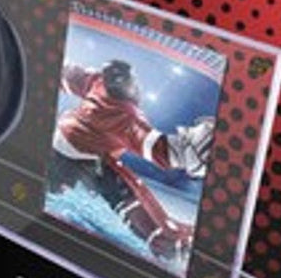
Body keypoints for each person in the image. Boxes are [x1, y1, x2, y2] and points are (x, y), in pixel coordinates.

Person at [47, 59, 214, 260]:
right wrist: (196, 147)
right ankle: (165, 242)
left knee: (114, 192)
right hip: (87, 158)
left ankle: (164, 241)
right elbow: (161, 150)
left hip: (66, 147)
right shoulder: (126, 114)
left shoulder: (100, 86)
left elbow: (69, 75)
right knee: (125, 198)